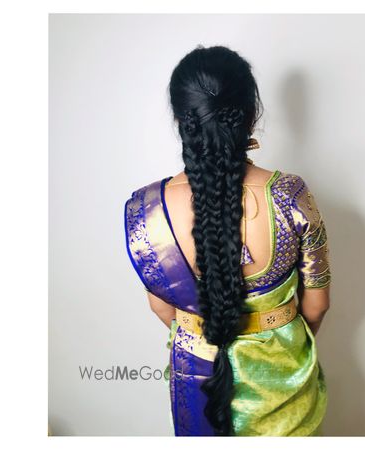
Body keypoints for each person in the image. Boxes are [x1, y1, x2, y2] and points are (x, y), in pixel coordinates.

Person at [124, 45, 331, 436]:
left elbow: (162, 307)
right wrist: (274, 338)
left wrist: (207, 333)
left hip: (196, 381)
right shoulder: (290, 196)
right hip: (282, 386)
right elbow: (317, 305)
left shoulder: (145, 209)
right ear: (250, 114)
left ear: (182, 119)